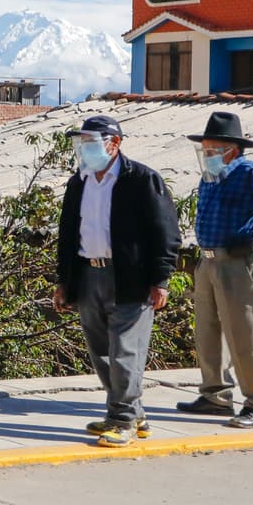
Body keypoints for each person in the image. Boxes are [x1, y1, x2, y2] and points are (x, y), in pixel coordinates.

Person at [53, 115, 181, 447]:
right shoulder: (78, 182)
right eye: (82, 143)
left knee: (126, 350)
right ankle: (132, 412)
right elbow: (67, 234)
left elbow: (165, 233)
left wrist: (161, 279)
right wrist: (63, 281)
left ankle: (122, 419)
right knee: (101, 351)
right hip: (89, 274)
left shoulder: (141, 180)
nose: (85, 150)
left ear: (114, 143)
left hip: (130, 277)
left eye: (92, 143)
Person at [177, 111, 253, 428]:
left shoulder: (250, 173)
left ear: (232, 149)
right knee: (208, 332)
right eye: (204, 148)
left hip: (241, 262)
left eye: (212, 148)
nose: (207, 154)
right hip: (209, 261)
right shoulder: (212, 176)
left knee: (246, 336)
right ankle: (215, 396)